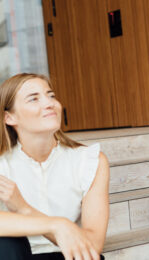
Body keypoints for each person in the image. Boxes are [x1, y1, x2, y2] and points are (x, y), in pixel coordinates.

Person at [0, 73, 110, 260]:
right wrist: (56, 225)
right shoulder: (3, 164)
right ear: (9, 118)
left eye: (51, 95)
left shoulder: (90, 161)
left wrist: (25, 209)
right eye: (34, 99)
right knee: (7, 243)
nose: (49, 103)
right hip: (17, 255)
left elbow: (93, 244)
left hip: (70, 255)